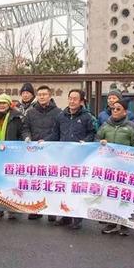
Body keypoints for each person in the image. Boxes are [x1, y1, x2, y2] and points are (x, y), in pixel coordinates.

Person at [46, 89, 96, 229]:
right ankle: (66, 216)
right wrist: (43, 142)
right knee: (65, 188)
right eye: (70, 98)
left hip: (80, 159)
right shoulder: (61, 116)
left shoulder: (88, 117)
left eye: (75, 99)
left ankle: (77, 218)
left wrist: (85, 142)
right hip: (64, 158)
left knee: (77, 188)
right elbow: (55, 134)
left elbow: (93, 134)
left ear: (81, 101)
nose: (72, 101)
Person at [97, 98, 134, 235]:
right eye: (113, 109)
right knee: (110, 194)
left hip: (125, 168)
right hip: (109, 167)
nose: (114, 111)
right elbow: (96, 140)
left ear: (125, 111)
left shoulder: (132, 127)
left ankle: (124, 224)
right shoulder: (105, 126)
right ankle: (111, 222)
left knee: (124, 196)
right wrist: (101, 142)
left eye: (118, 109)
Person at [21, 85, 61, 220]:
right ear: (36, 97)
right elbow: (25, 128)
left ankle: (52, 210)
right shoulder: (31, 113)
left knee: (51, 182)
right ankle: (36, 209)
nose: (42, 97)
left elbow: (58, 132)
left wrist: (47, 141)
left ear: (50, 96)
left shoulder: (58, 112)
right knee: (35, 181)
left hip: (52, 152)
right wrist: (27, 137)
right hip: (34, 152)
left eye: (45, 94)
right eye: (40, 95)